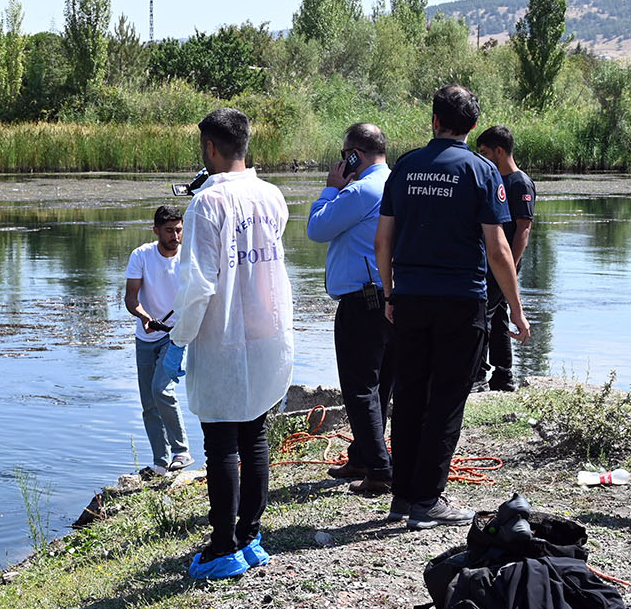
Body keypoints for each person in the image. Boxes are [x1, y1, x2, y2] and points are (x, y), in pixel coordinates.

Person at [374, 86, 530, 530]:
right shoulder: (481, 171)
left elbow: (382, 241)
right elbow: (498, 250)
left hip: (410, 299)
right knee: (446, 399)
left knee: (407, 396)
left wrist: (389, 293)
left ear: (434, 120)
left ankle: (403, 497)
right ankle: (427, 500)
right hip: (461, 302)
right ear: (472, 127)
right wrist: (516, 310)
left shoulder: (404, 166)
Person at [164, 108, 294, 579]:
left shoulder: (207, 205)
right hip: (266, 332)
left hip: (223, 336)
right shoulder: (272, 195)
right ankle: (250, 535)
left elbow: (199, 285)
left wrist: (178, 341)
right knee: (254, 432)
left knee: (220, 440)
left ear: (210, 149)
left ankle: (222, 547)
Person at [306, 122, 394, 496]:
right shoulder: (395, 181)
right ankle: (361, 456)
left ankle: (379, 469)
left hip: (363, 300)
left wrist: (331, 186)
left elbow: (317, 227)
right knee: (381, 384)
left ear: (355, 154)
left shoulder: (361, 189)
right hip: (388, 298)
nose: (343, 162)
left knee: (359, 388)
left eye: (346, 155)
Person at [124, 205, 193, 477]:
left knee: (162, 390)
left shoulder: (189, 257)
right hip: (146, 336)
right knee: (149, 404)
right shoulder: (141, 255)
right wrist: (145, 318)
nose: (175, 236)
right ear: (156, 231)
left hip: (176, 336)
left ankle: (181, 451)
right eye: (169, 231)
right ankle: (161, 463)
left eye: (178, 230)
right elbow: (131, 298)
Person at [474, 125, 536, 393]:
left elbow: (523, 229)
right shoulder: (495, 180)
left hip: (502, 264)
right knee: (498, 316)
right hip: (491, 262)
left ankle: (477, 374)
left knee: (481, 316)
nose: (482, 158)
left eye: (485, 153)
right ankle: (503, 375)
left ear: (499, 151)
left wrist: (509, 265)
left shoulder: (519, 182)